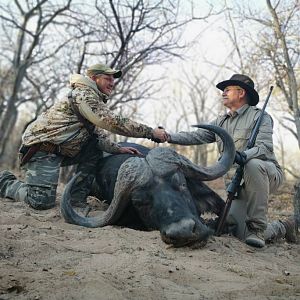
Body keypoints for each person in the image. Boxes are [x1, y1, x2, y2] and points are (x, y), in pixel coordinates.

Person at [0, 63, 167, 210]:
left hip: (61, 150)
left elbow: (97, 137)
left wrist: (118, 148)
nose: (112, 82)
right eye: (108, 78)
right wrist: (151, 132)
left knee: (94, 149)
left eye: (113, 79)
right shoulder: (83, 94)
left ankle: (76, 199)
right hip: (41, 150)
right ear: (94, 79)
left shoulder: (93, 100)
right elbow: (111, 121)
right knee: (39, 202)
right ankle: (5, 181)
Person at [164, 74, 295, 248]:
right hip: (238, 184)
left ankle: (258, 228)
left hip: (266, 175)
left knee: (252, 164)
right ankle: (285, 226)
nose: (223, 93)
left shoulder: (260, 116)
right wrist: (168, 136)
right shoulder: (220, 122)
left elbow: (264, 147)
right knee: (237, 232)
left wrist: (244, 156)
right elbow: (197, 135)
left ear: (241, 93)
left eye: (227, 90)